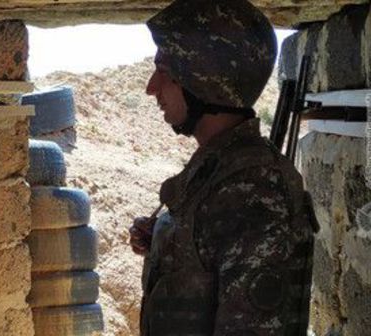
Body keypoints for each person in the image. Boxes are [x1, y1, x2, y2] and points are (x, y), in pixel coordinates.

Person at [128, 0, 317, 335]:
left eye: (165, 73)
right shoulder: (221, 169)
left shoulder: (254, 189)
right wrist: (163, 240)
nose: (151, 88)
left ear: (204, 82)